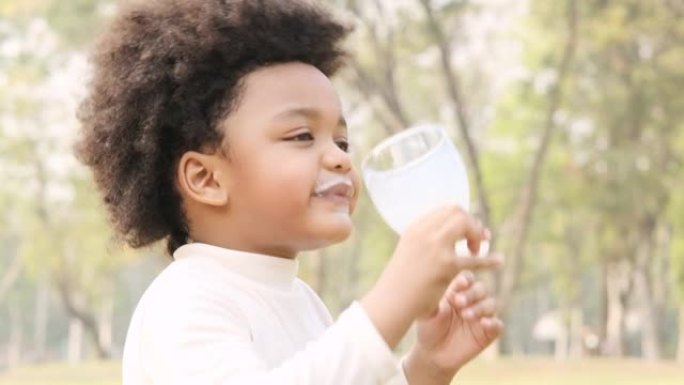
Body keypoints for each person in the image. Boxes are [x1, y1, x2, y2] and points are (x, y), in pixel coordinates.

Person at [75, 0, 504, 384]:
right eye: (301, 136)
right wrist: (396, 295)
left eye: (342, 142)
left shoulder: (300, 300)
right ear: (207, 179)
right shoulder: (184, 301)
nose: (339, 159)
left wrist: (427, 367)